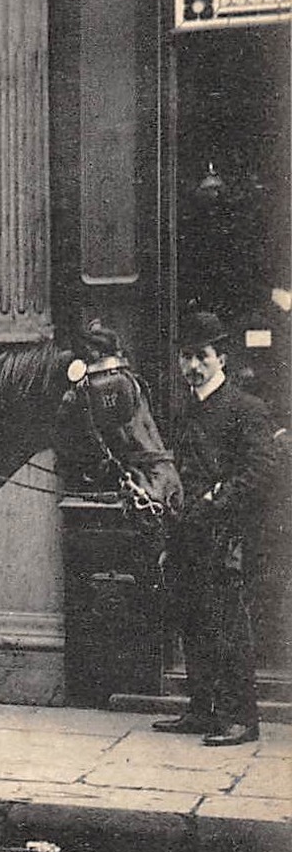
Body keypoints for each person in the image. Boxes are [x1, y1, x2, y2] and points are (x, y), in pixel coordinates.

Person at [152, 310, 277, 747]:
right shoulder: (184, 410)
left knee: (227, 629)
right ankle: (201, 710)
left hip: (227, 539)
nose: (192, 366)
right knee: (193, 625)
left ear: (221, 358)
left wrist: (212, 503)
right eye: (186, 357)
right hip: (188, 537)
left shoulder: (247, 409)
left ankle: (242, 719)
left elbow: (260, 472)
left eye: (201, 356)